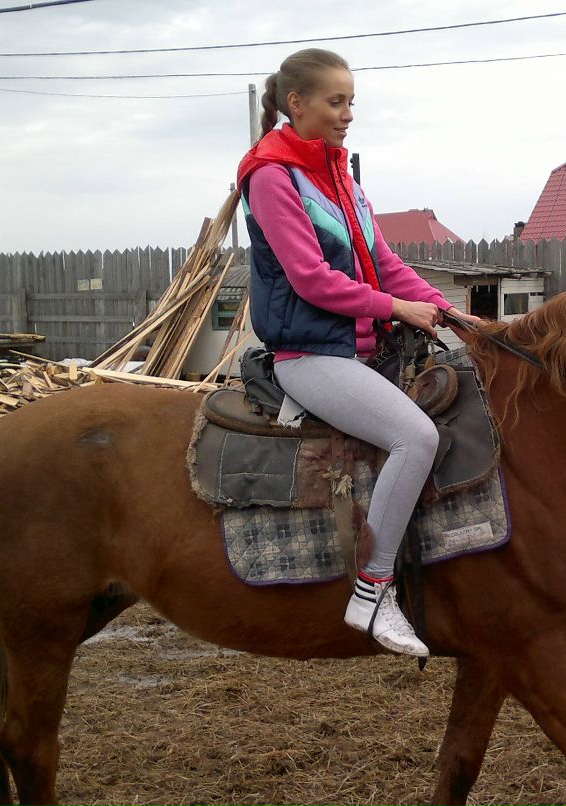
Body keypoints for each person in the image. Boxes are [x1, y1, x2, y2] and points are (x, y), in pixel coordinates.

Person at [235, 48, 478, 657]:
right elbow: (311, 279)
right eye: (336, 101)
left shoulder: (341, 177)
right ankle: (372, 592)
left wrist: (449, 313)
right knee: (416, 438)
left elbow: (385, 264)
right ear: (296, 104)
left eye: (352, 102)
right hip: (310, 355)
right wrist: (397, 309)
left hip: (359, 351)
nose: (348, 114)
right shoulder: (271, 177)